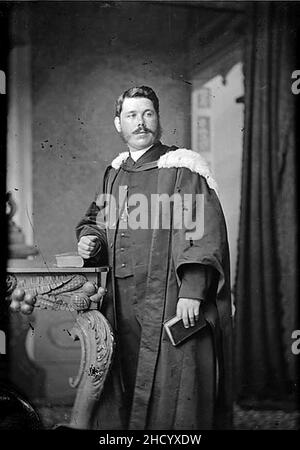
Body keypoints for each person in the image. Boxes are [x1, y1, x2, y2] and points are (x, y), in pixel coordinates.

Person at [76, 86, 233, 430]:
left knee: (171, 383)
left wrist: (193, 289)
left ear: (158, 119)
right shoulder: (115, 173)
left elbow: (202, 230)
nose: (141, 122)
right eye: (131, 115)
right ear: (119, 124)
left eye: (148, 113)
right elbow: (101, 222)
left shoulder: (183, 169)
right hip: (122, 300)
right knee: (125, 378)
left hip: (168, 298)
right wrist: (90, 240)